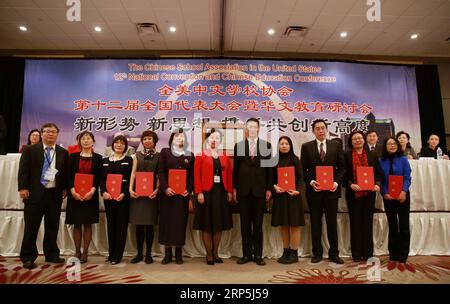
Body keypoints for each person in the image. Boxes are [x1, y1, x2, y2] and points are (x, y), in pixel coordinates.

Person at [17, 123, 69, 269]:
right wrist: (22, 188)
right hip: (34, 194)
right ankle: (28, 257)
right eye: (47, 132)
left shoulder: (62, 152)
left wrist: (64, 188)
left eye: (53, 132)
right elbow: (23, 171)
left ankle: (52, 254)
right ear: (41, 133)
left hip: (54, 195)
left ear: (57, 134)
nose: (50, 134)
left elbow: (64, 173)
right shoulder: (30, 150)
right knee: (31, 227)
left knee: (52, 226)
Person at [300, 119, 345, 264]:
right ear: (313, 131)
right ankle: (317, 253)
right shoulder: (306, 147)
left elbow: (342, 167)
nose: (320, 130)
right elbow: (303, 169)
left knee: (332, 222)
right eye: (317, 128)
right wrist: (312, 182)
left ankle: (334, 253)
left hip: (331, 191)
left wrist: (336, 182)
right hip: (314, 191)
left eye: (322, 128)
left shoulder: (336, 145)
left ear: (326, 129)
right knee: (315, 222)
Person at [233, 118, 273, 266]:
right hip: (243, 191)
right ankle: (246, 255)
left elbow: (269, 170)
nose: (252, 129)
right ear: (246, 129)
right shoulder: (239, 146)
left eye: (254, 126)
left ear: (258, 128)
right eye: (249, 126)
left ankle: (258, 255)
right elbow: (236, 169)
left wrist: (269, 188)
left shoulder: (266, 145)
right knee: (244, 224)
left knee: (257, 224)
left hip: (259, 191)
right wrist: (234, 188)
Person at [193, 129, 233, 265]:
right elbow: (196, 176)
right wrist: (199, 192)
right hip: (206, 194)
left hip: (221, 193)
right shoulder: (200, 155)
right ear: (207, 140)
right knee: (207, 224)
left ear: (220, 141)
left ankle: (216, 253)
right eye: (211, 138)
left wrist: (229, 191)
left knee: (218, 225)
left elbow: (229, 175)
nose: (214, 140)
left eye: (217, 138)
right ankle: (208, 254)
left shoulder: (224, 156)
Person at [344, 131, 383, 262]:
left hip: (369, 194)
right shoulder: (346, 155)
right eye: (354, 139)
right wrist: (350, 184)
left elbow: (379, 174)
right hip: (353, 194)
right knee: (355, 223)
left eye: (360, 138)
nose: (357, 141)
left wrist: (377, 184)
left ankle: (368, 252)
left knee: (367, 222)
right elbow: (343, 175)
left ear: (364, 140)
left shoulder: (372, 155)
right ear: (351, 142)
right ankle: (356, 253)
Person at [158, 129, 194, 264]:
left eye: (182, 136)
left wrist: (188, 190)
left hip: (182, 196)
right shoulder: (165, 152)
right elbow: (161, 172)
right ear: (172, 139)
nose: (180, 138)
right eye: (177, 136)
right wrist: (165, 187)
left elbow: (191, 177)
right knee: (167, 222)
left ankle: (178, 252)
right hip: (168, 194)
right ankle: (167, 253)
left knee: (180, 222)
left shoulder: (190, 155)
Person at [65, 131, 102, 264]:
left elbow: (99, 177)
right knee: (76, 224)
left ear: (93, 141)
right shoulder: (73, 157)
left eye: (88, 138)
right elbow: (68, 176)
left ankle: (85, 252)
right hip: (75, 195)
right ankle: (77, 251)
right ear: (79, 141)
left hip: (90, 196)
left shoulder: (98, 158)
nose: (86, 141)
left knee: (87, 224)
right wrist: (72, 191)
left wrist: (92, 191)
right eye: (83, 139)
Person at [379, 136, 413, 272]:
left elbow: (407, 177)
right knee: (392, 225)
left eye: (394, 143)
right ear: (385, 146)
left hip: (402, 196)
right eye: (389, 144)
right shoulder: (381, 160)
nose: (392, 145)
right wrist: (384, 192)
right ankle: (393, 254)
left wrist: (404, 192)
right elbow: (380, 179)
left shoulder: (403, 159)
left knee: (404, 225)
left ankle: (403, 255)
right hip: (388, 197)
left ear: (398, 145)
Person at [100, 135, 133, 265]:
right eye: (117, 143)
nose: (119, 145)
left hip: (122, 198)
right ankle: (111, 253)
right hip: (108, 198)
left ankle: (118, 255)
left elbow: (130, 179)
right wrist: (103, 192)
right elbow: (101, 179)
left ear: (126, 146)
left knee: (121, 226)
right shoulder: (105, 160)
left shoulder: (129, 160)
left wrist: (124, 194)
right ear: (112, 145)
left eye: (122, 143)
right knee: (111, 226)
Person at [128, 130, 160, 264]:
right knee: (139, 225)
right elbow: (133, 173)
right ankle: (139, 253)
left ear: (154, 141)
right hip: (138, 194)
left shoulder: (159, 156)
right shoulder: (136, 155)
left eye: (150, 139)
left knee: (150, 225)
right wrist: (130, 188)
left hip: (151, 194)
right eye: (145, 139)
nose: (147, 141)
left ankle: (148, 254)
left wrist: (157, 189)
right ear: (142, 141)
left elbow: (159, 174)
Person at [272, 136, 304, 264]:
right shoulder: (275, 161)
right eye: (281, 144)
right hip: (280, 197)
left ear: (290, 146)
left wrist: (298, 190)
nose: (284, 146)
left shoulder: (295, 160)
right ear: (278, 146)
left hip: (293, 197)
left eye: (286, 143)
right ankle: (285, 251)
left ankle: (294, 253)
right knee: (283, 225)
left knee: (294, 226)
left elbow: (301, 178)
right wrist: (274, 186)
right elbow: (271, 178)